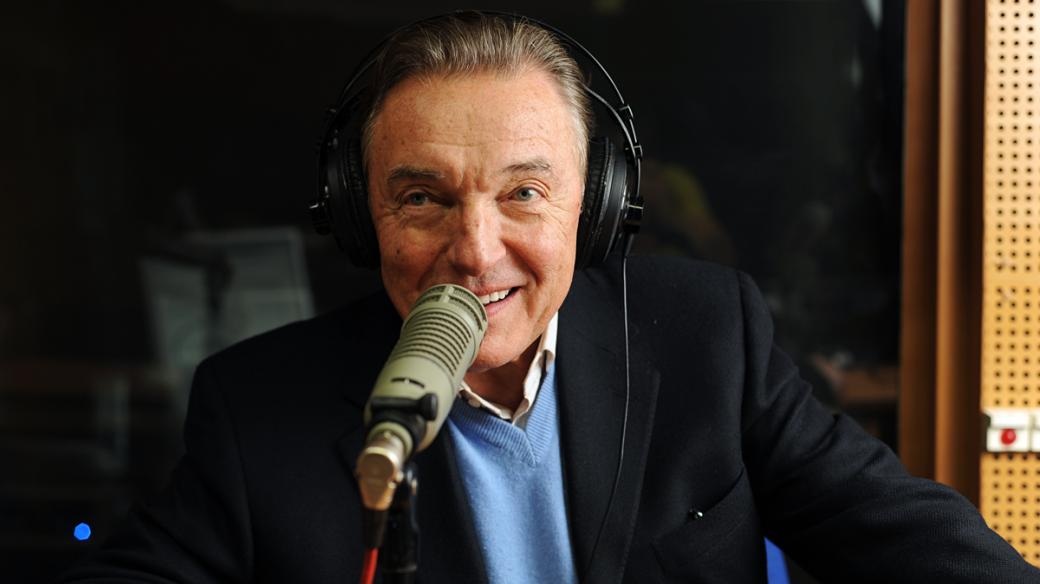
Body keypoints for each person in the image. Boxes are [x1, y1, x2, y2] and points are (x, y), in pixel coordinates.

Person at [60, 11, 1040, 584]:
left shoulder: (704, 336)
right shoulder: (257, 407)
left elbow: (906, 539)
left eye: (522, 192)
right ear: (359, 218)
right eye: (422, 197)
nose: (473, 250)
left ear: (597, 209)